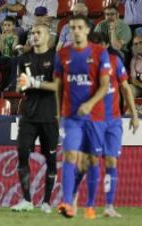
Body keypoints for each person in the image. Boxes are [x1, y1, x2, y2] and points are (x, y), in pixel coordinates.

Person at [71, 32, 139, 218]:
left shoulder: (115, 62)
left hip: (114, 121)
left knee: (111, 160)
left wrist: (134, 115)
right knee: (86, 163)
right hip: (93, 121)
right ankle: (74, 194)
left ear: (106, 44)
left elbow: (125, 88)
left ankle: (109, 206)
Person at [53, 15, 111, 218]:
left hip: (95, 116)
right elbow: (58, 86)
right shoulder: (62, 54)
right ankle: (67, 203)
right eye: (71, 28)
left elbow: (105, 86)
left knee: (91, 161)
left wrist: (90, 103)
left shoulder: (99, 53)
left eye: (79, 27)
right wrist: (59, 113)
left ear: (87, 30)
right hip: (71, 117)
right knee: (70, 155)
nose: (75, 31)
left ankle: (90, 205)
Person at [10, 23, 58, 214]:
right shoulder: (24, 59)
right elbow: (18, 88)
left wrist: (35, 82)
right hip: (28, 115)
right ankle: (27, 200)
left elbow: (58, 87)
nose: (35, 36)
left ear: (48, 36)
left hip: (49, 115)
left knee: (51, 159)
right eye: (32, 33)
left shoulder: (55, 58)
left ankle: (46, 202)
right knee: (22, 152)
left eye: (39, 33)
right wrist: (23, 84)